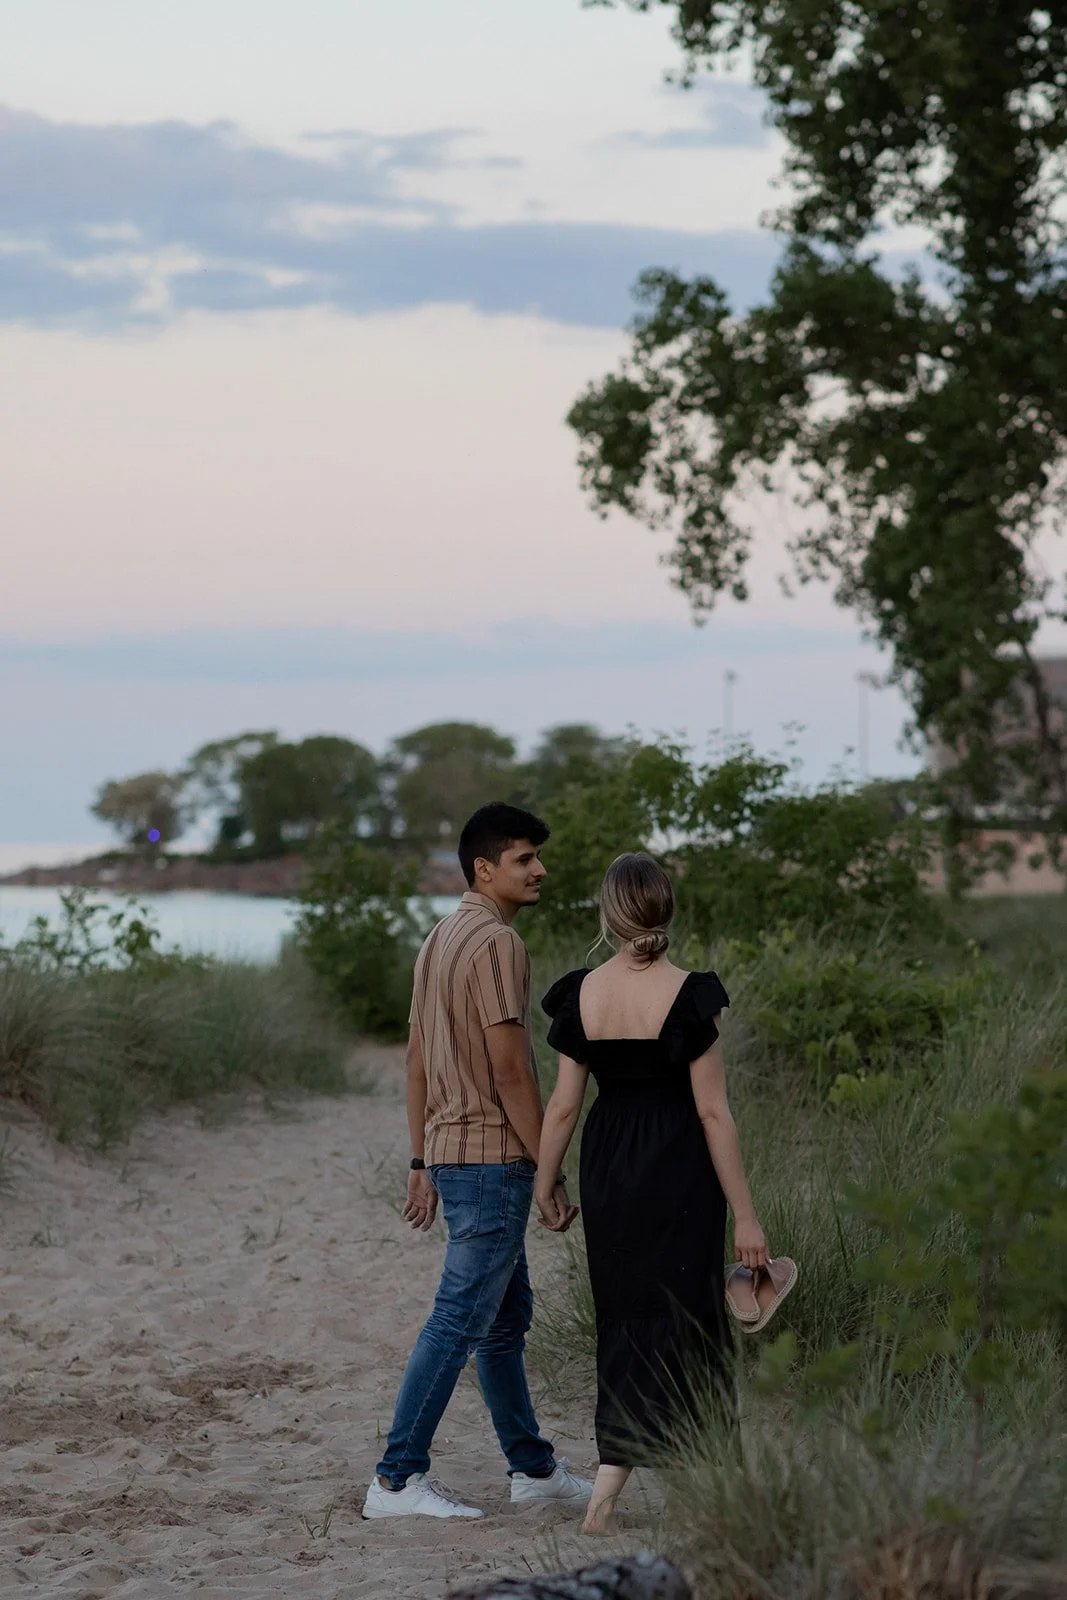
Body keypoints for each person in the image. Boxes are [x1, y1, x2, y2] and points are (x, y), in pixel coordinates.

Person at [537, 852, 782, 1536]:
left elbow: (563, 1106)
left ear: (607, 913)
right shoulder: (693, 994)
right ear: (666, 908)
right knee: (690, 1319)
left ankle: (603, 1498)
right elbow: (713, 1113)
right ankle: (709, 1486)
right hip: (679, 1170)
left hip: (609, 1166)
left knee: (625, 1317)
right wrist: (747, 1218)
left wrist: (545, 1180)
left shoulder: (580, 993)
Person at [363, 802, 593, 1521]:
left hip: (454, 1157)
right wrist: (549, 1167)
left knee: (501, 1320)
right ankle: (396, 1480)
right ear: (484, 868)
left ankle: (532, 1469)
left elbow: (415, 1059)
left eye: (537, 856)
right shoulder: (497, 943)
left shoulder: (437, 938)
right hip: (493, 1161)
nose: (539, 869)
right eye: (524, 858)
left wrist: (419, 1158)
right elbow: (510, 1071)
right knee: (459, 1321)